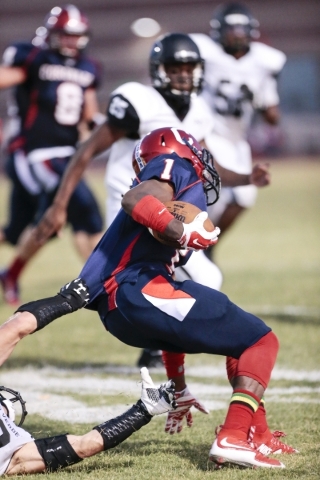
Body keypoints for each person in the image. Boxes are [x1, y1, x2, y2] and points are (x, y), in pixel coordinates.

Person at [0, 127, 296, 468]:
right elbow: (135, 200)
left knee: (239, 337)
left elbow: (167, 321)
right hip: (138, 290)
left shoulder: (151, 211)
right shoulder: (174, 165)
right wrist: (180, 230)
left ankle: (255, 435)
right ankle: (233, 436)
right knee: (261, 341)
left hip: (123, 312)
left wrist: (178, 383)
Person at [30, 32, 270, 369]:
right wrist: (59, 205)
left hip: (170, 205)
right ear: (159, 70)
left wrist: (248, 178)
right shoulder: (137, 100)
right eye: (175, 67)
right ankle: (161, 347)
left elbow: (206, 162)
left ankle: (159, 350)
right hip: (132, 209)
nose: (184, 74)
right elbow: (85, 152)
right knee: (174, 279)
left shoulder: (199, 110)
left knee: (202, 277)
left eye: (189, 67)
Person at [0, 4, 104, 306]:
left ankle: (11, 273)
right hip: (34, 152)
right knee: (84, 207)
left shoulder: (88, 68)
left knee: (21, 230)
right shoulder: (33, 57)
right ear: (52, 34)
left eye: (76, 35)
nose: (71, 41)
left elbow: (89, 115)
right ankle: (105, 284)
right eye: (65, 35)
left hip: (67, 155)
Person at [190, 2, 286, 253]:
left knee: (245, 198)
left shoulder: (264, 62)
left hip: (237, 139)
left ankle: (208, 248)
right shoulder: (206, 52)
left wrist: (258, 99)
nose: (237, 34)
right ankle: (194, 251)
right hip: (209, 134)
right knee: (213, 199)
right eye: (231, 28)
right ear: (219, 30)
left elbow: (273, 117)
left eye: (242, 28)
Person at [0, 369, 175, 476]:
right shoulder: (18, 453)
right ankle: (147, 407)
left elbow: (85, 446)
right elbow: (85, 445)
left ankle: (147, 407)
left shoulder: (17, 453)